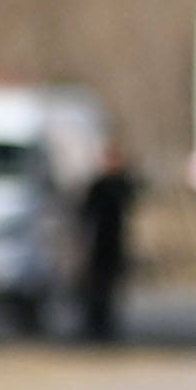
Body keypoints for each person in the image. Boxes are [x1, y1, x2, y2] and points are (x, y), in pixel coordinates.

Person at [73, 142, 140, 345]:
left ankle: (105, 324)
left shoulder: (121, 184)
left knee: (110, 287)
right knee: (95, 287)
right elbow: (85, 212)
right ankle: (94, 323)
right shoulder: (99, 185)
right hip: (97, 242)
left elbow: (132, 202)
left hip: (115, 242)